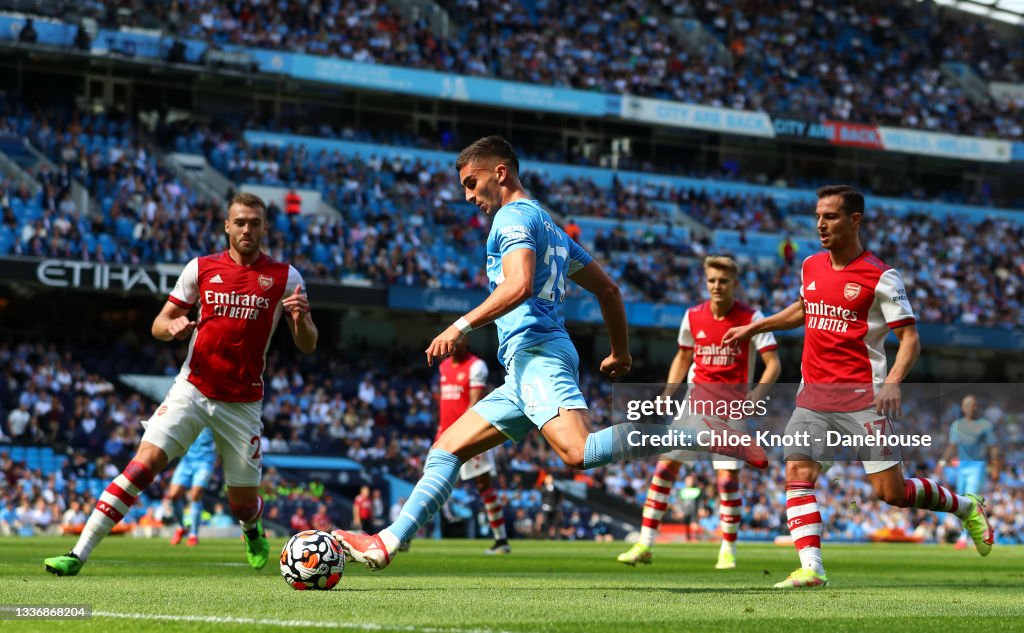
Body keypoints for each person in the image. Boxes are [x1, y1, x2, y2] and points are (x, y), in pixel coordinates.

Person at [331, 135, 764, 570]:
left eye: (471, 182)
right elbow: (608, 290)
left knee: (578, 453)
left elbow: (518, 285)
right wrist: (620, 353)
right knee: (446, 450)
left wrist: (459, 326)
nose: (467, 196)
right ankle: (385, 542)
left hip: (539, 354)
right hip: (523, 367)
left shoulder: (511, 218)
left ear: (499, 173)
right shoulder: (549, 225)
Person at [723, 185, 993, 588]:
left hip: (863, 399)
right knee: (797, 469)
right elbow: (803, 308)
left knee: (892, 493)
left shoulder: (881, 276)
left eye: (829, 216)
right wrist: (754, 326)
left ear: (855, 220)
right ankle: (812, 568)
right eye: (817, 216)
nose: (820, 224)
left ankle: (964, 506)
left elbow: (911, 339)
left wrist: (893, 383)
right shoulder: (811, 266)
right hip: (812, 395)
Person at [44, 192, 318, 576]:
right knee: (142, 466)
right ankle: (77, 554)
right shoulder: (200, 268)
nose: (246, 230)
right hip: (192, 388)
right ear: (227, 225)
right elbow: (159, 323)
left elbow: (308, 345)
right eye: (239, 222)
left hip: (242, 402)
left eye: (254, 223)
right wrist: (170, 328)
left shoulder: (286, 277)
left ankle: (250, 528)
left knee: (241, 502)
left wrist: (302, 321)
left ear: (265, 228)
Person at [617, 256, 780, 570]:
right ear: (706, 282)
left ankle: (728, 550)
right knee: (665, 470)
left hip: (731, 407)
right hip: (694, 403)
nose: (717, 286)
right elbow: (682, 357)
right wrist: (667, 393)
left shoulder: (752, 317)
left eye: (723, 281)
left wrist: (756, 395)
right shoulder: (693, 316)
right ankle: (645, 544)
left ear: (735, 283)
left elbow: (774, 363)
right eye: (712, 281)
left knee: (726, 479)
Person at [436, 338, 511, 554]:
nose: (453, 345)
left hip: (470, 432)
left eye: (458, 342)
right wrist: (441, 430)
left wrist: (463, 430)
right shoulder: (443, 367)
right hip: (445, 434)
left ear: (466, 343)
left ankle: (501, 540)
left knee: (484, 486)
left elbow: (474, 402)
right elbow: (445, 404)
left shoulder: (476, 365)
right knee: (430, 479)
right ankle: (405, 536)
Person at [938, 394, 998, 549]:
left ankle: (965, 538)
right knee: (961, 503)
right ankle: (980, 530)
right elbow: (951, 446)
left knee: (971, 500)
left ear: (976, 407)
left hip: (977, 466)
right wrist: (942, 462)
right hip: (962, 467)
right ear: (963, 408)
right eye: (968, 405)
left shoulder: (984, 425)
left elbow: (993, 447)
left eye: (973, 405)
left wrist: (996, 467)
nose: (971, 408)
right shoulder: (957, 425)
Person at [166, 426, 217, 546]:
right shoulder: (190, 411)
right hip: (186, 461)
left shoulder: (214, 415)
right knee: (174, 495)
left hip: (205, 461)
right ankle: (181, 527)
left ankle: (193, 534)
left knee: (195, 495)